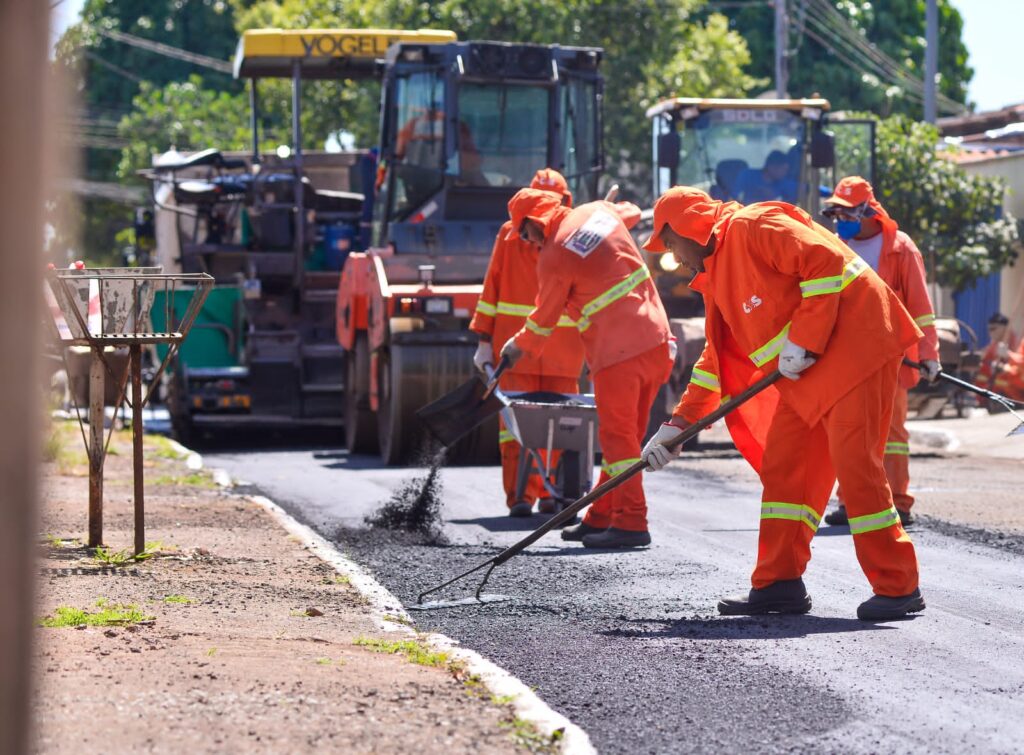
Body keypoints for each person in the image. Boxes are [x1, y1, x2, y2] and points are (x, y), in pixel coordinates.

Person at [640, 186, 925, 621]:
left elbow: (826, 264)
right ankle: (778, 584)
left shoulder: (755, 225)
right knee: (785, 465)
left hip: (858, 350)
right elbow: (714, 361)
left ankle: (898, 585)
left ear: (688, 227)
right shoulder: (715, 275)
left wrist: (805, 338)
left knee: (855, 464)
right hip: (810, 370)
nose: (674, 257)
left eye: (671, 243)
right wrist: (679, 426)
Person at [499, 188, 673, 548]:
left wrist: (514, 348)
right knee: (625, 438)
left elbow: (542, 322)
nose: (527, 242)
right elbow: (631, 211)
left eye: (524, 232)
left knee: (617, 439)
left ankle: (631, 523)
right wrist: (604, 205)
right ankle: (600, 516)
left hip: (618, 353)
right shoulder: (597, 212)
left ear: (534, 221)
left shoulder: (553, 256)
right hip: (656, 341)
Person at [820, 176, 940, 528]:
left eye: (847, 213)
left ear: (868, 211)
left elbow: (921, 306)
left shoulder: (901, 248)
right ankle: (851, 503)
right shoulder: (836, 246)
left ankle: (898, 504)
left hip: (892, 356)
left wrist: (929, 353)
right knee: (849, 430)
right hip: (846, 357)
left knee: (892, 436)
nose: (841, 221)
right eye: (837, 214)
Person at [470, 169, 586, 517]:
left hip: (549, 349)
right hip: (528, 349)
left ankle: (546, 492)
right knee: (524, 427)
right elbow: (492, 288)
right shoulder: (511, 236)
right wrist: (483, 340)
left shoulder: (570, 237)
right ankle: (524, 496)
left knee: (554, 426)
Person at [733, 150, 798, 204]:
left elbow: (803, 191)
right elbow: (733, 199)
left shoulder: (785, 183)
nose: (786, 172)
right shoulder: (747, 175)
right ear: (772, 167)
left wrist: (774, 197)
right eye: (784, 169)